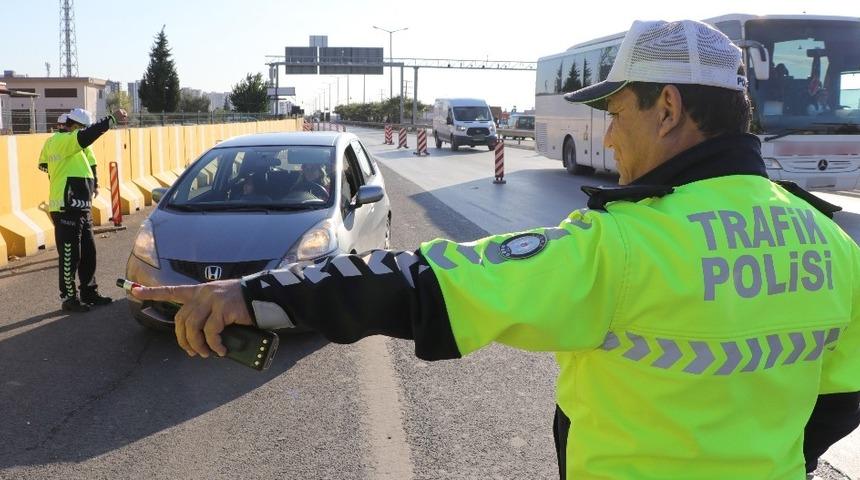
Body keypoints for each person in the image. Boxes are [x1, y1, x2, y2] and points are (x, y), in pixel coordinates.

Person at [132, 20, 860, 480]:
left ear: (667, 108)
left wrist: (257, 294)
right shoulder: (832, 241)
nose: (608, 135)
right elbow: (843, 397)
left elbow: (424, 282)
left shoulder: (625, 247)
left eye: (617, 113)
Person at [39, 107, 128, 312]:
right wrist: (111, 119)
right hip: (65, 207)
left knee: (89, 252)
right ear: (75, 126)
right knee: (71, 254)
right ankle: (69, 298)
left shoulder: (73, 145)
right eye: (82, 128)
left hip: (80, 207)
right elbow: (88, 136)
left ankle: (89, 291)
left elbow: (49, 166)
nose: (83, 131)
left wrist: (92, 183)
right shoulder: (62, 140)